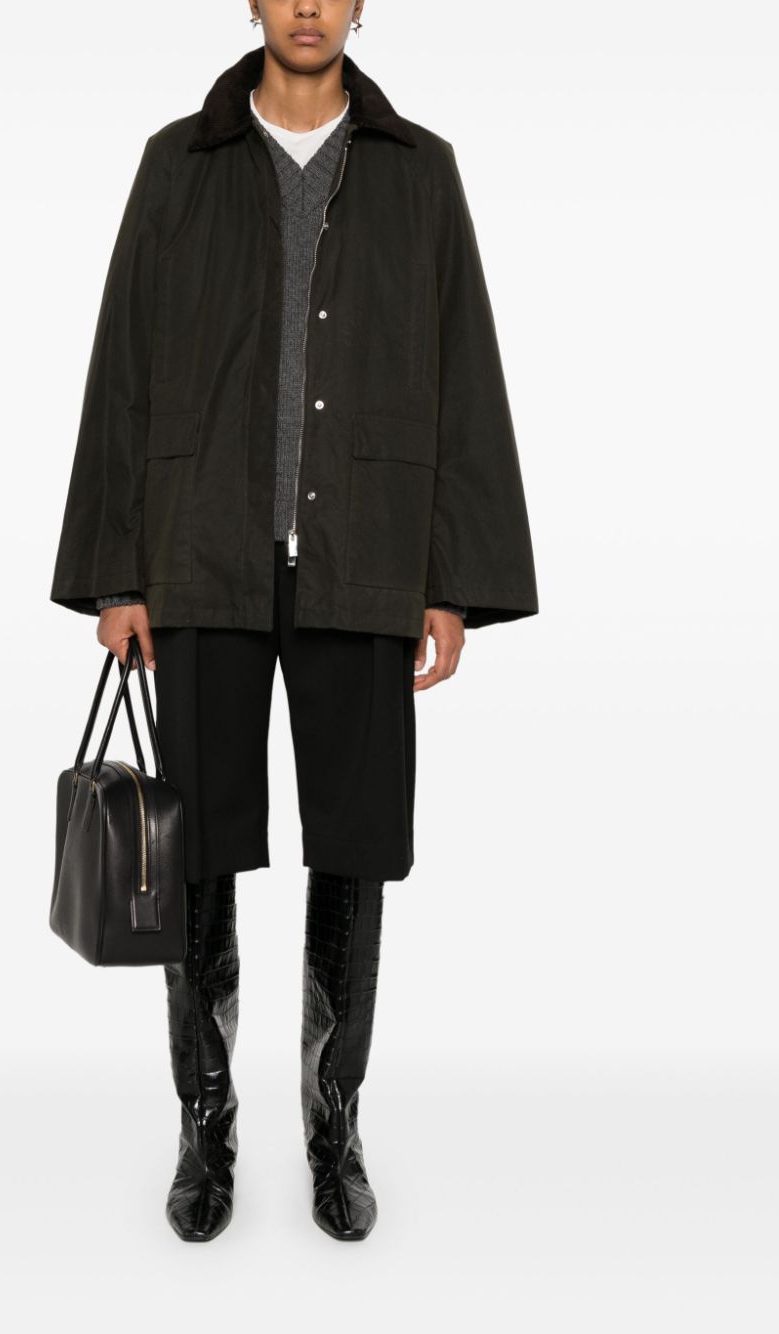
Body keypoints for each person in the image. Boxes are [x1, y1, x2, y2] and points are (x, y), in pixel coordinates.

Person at [50, 1, 537, 1244]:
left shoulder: (419, 171)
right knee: (192, 848)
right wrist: (116, 572)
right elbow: (123, 363)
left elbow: (462, 368)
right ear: (254, 2)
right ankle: (204, 1122)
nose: (308, 5)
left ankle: (333, 1121)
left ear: (362, 4)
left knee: (356, 842)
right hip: (197, 550)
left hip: (365, 551)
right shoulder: (180, 161)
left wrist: (450, 577)